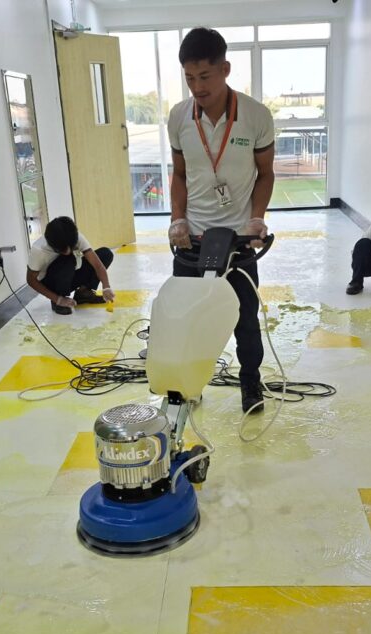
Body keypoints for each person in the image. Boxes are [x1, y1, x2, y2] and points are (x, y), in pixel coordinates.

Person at [167, 28, 276, 413]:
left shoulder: (256, 116)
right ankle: (186, 385)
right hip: (192, 239)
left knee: (245, 319)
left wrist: (257, 219)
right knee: (186, 318)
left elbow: (266, 173)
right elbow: (180, 174)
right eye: (189, 78)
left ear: (225, 69)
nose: (197, 87)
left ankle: (251, 383)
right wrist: (177, 219)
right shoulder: (179, 117)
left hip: (238, 239)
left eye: (205, 76)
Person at [26, 216, 115, 315]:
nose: (68, 251)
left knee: (105, 254)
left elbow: (97, 264)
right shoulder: (39, 250)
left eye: (71, 247)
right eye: (62, 250)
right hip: (51, 283)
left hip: (69, 274)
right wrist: (57, 299)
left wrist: (106, 286)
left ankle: (83, 293)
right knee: (67, 259)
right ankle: (58, 300)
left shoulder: (75, 236)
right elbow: (31, 280)